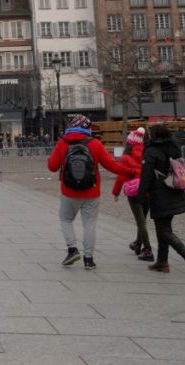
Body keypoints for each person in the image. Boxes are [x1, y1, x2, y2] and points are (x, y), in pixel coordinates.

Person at [46, 115, 133, 270]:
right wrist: (132, 172)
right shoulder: (95, 144)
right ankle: (88, 259)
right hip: (91, 191)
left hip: (69, 191)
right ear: (86, 127)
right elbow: (112, 166)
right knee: (89, 225)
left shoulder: (62, 143)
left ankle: (72, 249)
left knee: (65, 219)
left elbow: (52, 167)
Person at [138, 125, 185, 277]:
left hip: (160, 194)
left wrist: (141, 195)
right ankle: (162, 261)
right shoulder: (173, 148)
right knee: (163, 228)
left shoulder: (151, 151)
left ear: (154, 135)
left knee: (164, 231)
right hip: (174, 190)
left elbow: (146, 175)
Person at [112, 128, 152, 262]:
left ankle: (148, 249)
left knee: (140, 222)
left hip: (134, 191)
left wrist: (116, 192)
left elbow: (121, 177)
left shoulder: (126, 157)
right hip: (147, 190)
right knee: (143, 221)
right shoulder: (147, 154)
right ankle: (137, 244)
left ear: (129, 143)